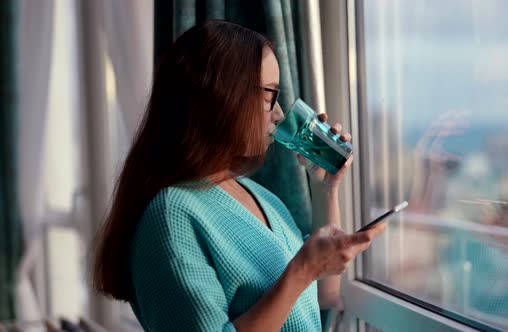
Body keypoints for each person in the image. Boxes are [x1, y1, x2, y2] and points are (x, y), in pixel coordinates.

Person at [90, 20, 385, 332]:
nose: (280, 113)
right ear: (222, 96)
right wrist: (303, 269)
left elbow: (324, 293)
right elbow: (302, 278)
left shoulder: (263, 199)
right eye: (270, 94)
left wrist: (325, 189)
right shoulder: (170, 216)